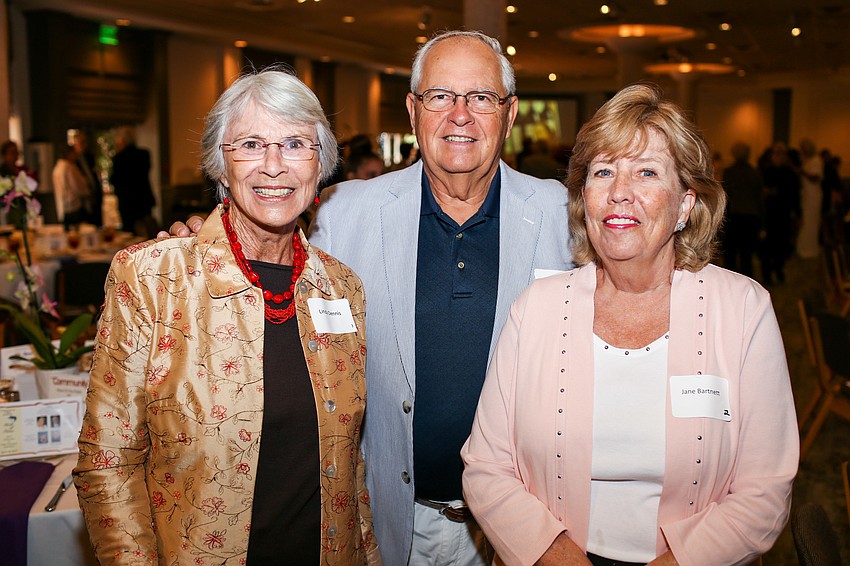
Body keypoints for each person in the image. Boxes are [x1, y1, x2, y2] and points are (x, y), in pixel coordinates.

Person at [168, 30, 572, 566]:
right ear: (412, 109)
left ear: (510, 111)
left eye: (481, 97)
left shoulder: (564, 216)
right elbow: (268, 270)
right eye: (440, 96)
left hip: (524, 524)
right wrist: (207, 241)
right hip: (390, 523)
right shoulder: (342, 213)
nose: (460, 115)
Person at [461, 83, 798, 566]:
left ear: (685, 204)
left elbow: (765, 489)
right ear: (584, 199)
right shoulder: (535, 307)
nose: (620, 193)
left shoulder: (743, 309)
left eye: (646, 172)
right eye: (603, 172)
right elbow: (485, 467)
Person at [75, 69, 381, 565]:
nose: (275, 166)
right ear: (220, 165)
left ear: (320, 164)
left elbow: (349, 465)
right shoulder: (154, 277)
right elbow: (107, 463)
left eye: (297, 144)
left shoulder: (342, 288)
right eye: (252, 144)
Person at [759, 142, 801, 284]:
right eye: (776, 154)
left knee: (782, 245)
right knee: (766, 246)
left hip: (784, 214)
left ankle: (778, 268)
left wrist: (798, 214)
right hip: (768, 215)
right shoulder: (764, 171)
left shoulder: (790, 174)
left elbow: (795, 196)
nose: (778, 157)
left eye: (781, 154)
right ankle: (767, 274)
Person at [721, 142, 763, 278]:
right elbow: (759, 199)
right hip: (751, 216)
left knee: (731, 254)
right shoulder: (755, 173)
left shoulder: (729, 172)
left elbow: (726, 195)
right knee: (747, 254)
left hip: (734, 215)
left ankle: (730, 283)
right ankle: (747, 283)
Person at [110, 126, 156, 236]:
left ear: (122, 140)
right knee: (147, 233)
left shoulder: (119, 157)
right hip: (143, 198)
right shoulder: (144, 154)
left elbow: (114, 179)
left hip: (127, 201)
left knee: (129, 233)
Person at [795, 138, 823, 259]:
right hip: (806, 194)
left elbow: (815, 177)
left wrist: (801, 171)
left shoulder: (817, 160)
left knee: (810, 222)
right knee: (805, 222)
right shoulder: (806, 160)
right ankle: (803, 248)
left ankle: (809, 249)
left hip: (813, 195)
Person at [52, 144, 92, 226]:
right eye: (74, 153)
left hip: (62, 207)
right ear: (69, 154)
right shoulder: (70, 168)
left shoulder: (57, 168)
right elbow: (77, 187)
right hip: (74, 205)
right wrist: (87, 191)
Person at [72, 131, 103, 226]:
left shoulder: (89, 157)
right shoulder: (73, 161)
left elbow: (93, 175)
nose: (83, 145)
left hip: (95, 195)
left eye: (84, 142)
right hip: (83, 199)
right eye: (80, 142)